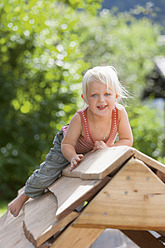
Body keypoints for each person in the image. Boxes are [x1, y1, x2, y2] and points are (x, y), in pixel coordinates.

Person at [8, 65, 133, 217]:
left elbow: (127, 140)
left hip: (95, 152)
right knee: (48, 173)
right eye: (94, 95)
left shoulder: (119, 113)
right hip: (68, 146)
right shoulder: (81, 118)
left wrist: (108, 147)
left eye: (107, 94)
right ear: (85, 98)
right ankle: (24, 196)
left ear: (116, 96)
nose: (101, 100)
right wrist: (72, 156)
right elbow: (67, 144)